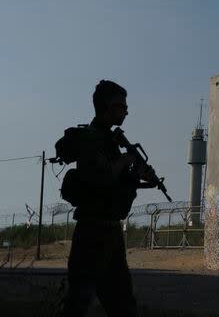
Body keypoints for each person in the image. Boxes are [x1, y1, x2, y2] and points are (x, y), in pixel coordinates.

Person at [60, 80, 153, 317]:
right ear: (106, 106)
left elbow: (116, 185)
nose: (126, 111)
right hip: (92, 231)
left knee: (123, 305)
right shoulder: (91, 138)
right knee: (79, 302)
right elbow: (100, 177)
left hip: (110, 231)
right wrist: (125, 161)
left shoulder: (110, 142)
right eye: (121, 106)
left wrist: (137, 176)